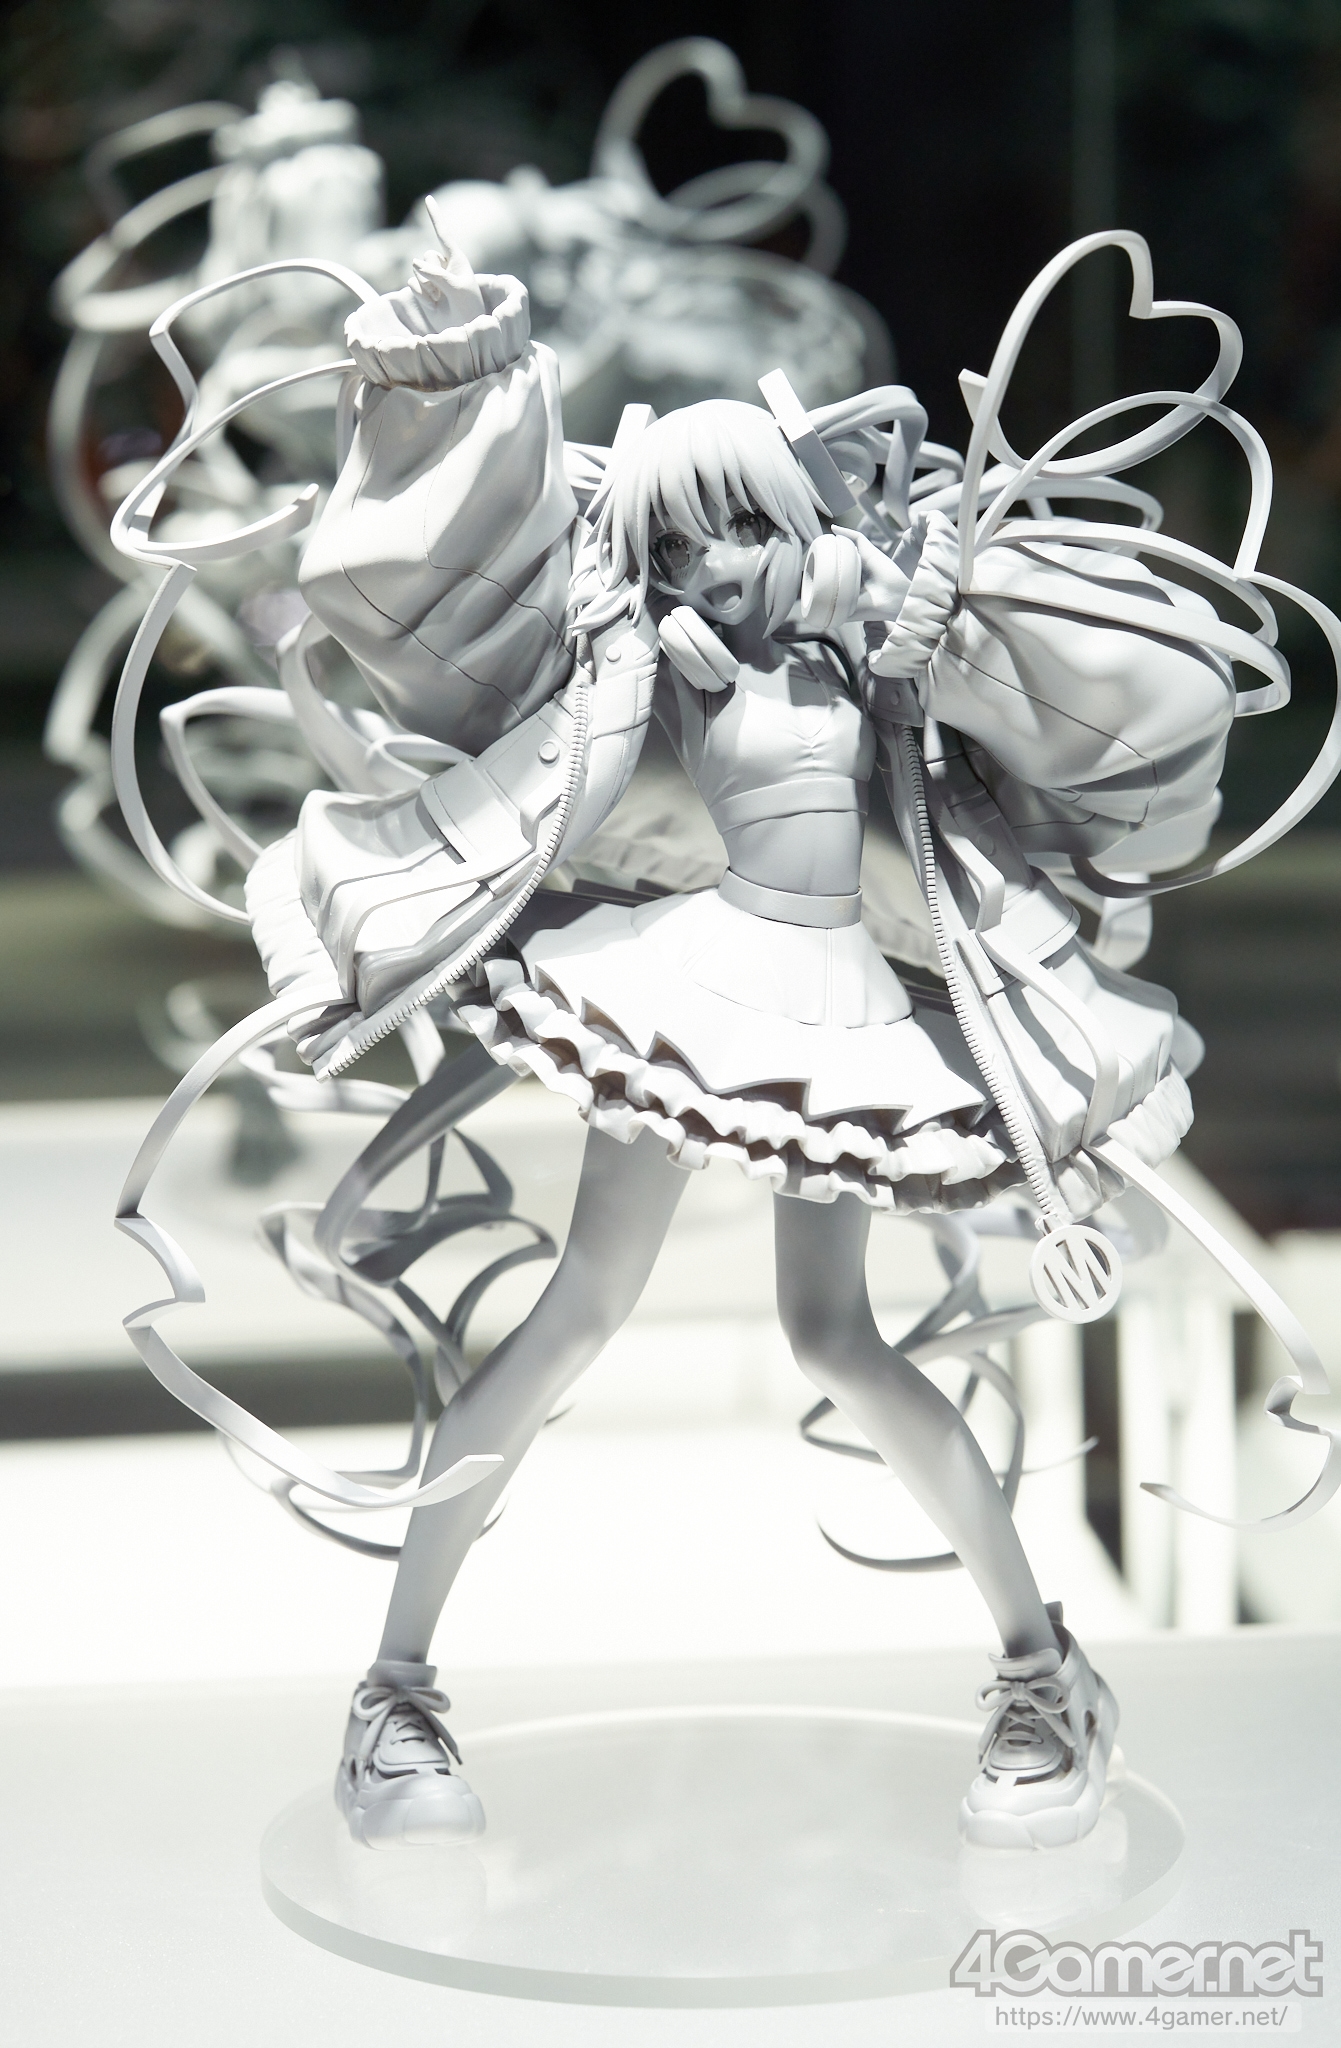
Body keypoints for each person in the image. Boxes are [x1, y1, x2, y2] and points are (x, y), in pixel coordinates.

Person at [113, 213, 1341, 1858]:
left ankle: (1043, 1675)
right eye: (679, 544)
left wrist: (909, 610)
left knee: (835, 1341)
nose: (715, 570)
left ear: (796, 516)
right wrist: (454, 392)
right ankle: (394, 1688)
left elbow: (1026, 792)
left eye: (742, 530)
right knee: (571, 1321)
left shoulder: (884, 655)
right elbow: (536, 770)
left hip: (846, 1017)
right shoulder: (656, 663)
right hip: (693, 998)